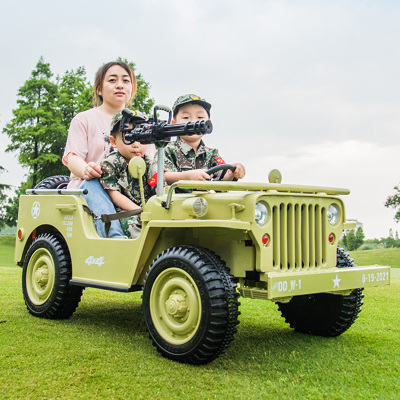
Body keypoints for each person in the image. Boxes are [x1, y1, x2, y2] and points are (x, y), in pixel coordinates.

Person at [62, 61, 136, 238]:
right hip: (92, 187)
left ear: (132, 89)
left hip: (127, 189)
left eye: (126, 81)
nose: (119, 85)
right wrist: (86, 170)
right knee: (95, 182)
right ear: (99, 89)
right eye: (112, 80)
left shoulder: (140, 123)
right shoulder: (84, 119)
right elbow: (72, 158)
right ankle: (115, 238)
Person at [99, 111, 158, 239]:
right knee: (132, 225)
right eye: (129, 137)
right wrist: (139, 211)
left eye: (141, 138)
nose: (136, 144)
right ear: (113, 142)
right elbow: (114, 195)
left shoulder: (149, 163)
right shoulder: (111, 164)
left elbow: (159, 185)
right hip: (125, 211)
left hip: (149, 207)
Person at [163, 94, 246, 185]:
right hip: (175, 198)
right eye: (186, 117)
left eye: (200, 118)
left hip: (205, 199)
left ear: (208, 123)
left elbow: (223, 177)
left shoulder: (212, 154)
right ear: (174, 124)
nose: (193, 122)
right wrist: (188, 176)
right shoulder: (167, 149)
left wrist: (234, 171)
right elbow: (160, 176)